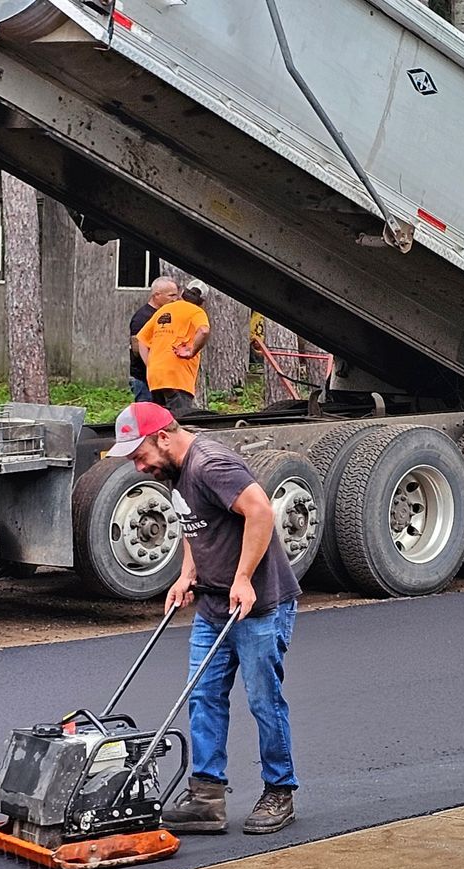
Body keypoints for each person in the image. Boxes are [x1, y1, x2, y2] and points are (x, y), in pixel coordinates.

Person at [105, 401, 301, 835]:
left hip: (258, 605)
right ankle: (207, 797)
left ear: (163, 437)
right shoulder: (175, 473)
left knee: (262, 701)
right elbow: (196, 523)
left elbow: (261, 511)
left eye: (139, 455)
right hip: (213, 606)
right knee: (202, 698)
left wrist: (244, 578)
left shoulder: (211, 464)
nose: (138, 467)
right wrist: (187, 573)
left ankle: (280, 790)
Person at [137, 279, 211, 414]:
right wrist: (192, 351)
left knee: (160, 422)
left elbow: (141, 339)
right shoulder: (196, 312)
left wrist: (150, 364)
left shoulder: (163, 310)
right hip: (177, 377)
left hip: (156, 377)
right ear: (202, 301)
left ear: (183, 293)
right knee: (179, 422)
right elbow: (204, 331)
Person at [127, 277, 179, 404]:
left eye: (176, 295)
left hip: (162, 379)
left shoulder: (166, 313)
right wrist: (154, 369)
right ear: (157, 295)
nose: (175, 299)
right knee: (147, 417)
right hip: (144, 379)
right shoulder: (142, 318)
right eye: (171, 295)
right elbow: (137, 349)